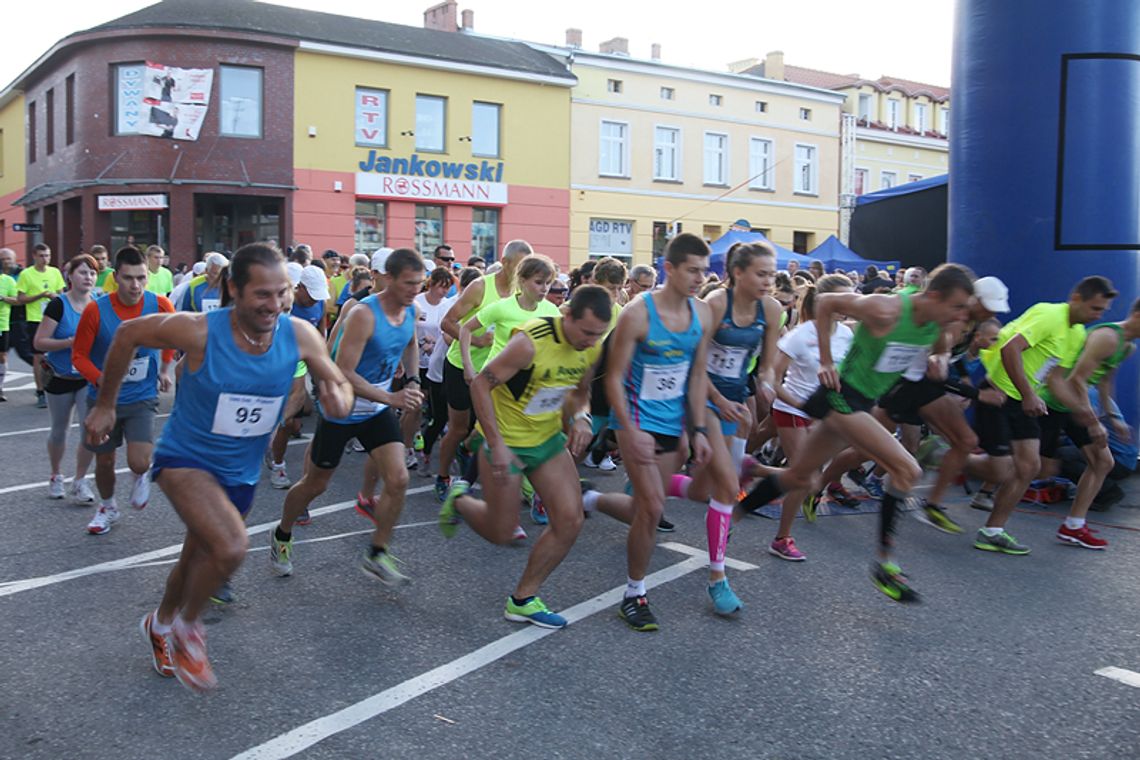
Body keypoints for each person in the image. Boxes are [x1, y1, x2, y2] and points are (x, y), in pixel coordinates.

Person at [87, 243, 352, 692]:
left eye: (281, 293)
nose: (274, 304)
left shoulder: (300, 335)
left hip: (240, 474)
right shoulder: (200, 331)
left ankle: (161, 622)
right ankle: (190, 628)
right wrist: (106, 405)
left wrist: (337, 400)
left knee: (197, 559)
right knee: (230, 547)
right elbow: (129, 334)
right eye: (262, 294)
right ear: (234, 288)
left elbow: (337, 382)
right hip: (186, 459)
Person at [738, 264, 977, 602]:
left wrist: (939, 356)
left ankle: (728, 518)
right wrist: (826, 361)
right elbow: (826, 303)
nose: (962, 315)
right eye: (957, 306)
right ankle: (884, 562)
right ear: (934, 295)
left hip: (861, 402)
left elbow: (938, 345)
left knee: (798, 477)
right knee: (908, 469)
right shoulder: (887, 308)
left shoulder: (938, 324)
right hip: (841, 398)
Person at [439, 285, 627, 628]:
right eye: (586, 332)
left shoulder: (591, 347)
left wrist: (581, 416)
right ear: (567, 315)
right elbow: (481, 385)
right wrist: (495, 444)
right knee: (502, 532)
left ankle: (523, 598)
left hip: (546, 439)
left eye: (598, 334)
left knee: (570, 520)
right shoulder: (529, 342)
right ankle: (461, 500)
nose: (590, 340)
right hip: (506, 440)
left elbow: (580, 391)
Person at [270, 248, 424, 584]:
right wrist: (393, 396)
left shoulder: (410, 309)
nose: (415, 289)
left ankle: (377, 553)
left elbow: (411, 345)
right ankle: (282, 534)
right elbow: (344, 372)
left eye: (419, 283)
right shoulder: (364, 315)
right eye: (410, 283)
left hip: (377, 409)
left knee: (398, 479)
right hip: (342, 407)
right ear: (390, 279)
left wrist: (412, 379)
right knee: (316, 484)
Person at [605, 233, 714, 631]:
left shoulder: (703, 314)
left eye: (705, 271)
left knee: (644, 512)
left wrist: (698, 428)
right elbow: (613, 379)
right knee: (651, 507)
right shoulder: (636, 313)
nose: (700, 278)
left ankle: (593, 498)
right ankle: (634, 594)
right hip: (636, 423)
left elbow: (698, 374)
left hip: (672, 425)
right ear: (669, 269)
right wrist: (629, 430)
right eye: (692, 270)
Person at [671, 243, 781, 613]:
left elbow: (766, 364)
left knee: (705, 488)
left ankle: (657, 482)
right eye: (761, 274)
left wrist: (765, 383)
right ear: (738, 273)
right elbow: (695, 365)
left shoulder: (773, 309)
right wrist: (719, 403)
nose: (769, 281)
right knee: (726, 486)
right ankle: (718, 578)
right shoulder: (716, 305)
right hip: (704, 397)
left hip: (735, 400)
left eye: (772, 273)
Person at [972, 276, 1116, 555]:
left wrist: (1088, 418)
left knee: (1029, 467)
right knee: (1000, 470)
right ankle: (943, 458)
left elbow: (1057, 381)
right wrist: (1028, 394)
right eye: (1094, 309)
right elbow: (1009, 348)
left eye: (1102, 311)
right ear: (1076, 298)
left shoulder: (1077, 334)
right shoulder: (1050, 314)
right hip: (999, 394)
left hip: (1024, 401)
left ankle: (992, 531)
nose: (1097, 316)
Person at [874, 276, 1012, 533]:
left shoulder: (972, 323)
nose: (993, 312)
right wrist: (976, 394)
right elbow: (937, 372)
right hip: (904, 387)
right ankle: (823, 482)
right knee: (863, 447)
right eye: (990, 306)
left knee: (965, 441)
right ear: (975, 299)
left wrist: (967, 378)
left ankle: (932, 505)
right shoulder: (955, 321)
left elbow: (949, 364)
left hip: (925, 389)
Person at [73, 247, 177, 535]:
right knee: (104, 461)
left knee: (139, 461)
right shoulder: (96, 309)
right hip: (103, 400)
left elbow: (173, 338)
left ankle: (140, 475)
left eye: (141, 278)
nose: (135, 285)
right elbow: (79, 355)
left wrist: (164, 369)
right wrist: (102, 379)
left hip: (142, 398)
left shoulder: (160, 305)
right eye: (129, 278)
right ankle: (107, 507)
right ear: (115, 277)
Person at [766, 274, 857, 561]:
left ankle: (750, 470)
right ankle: (782, 539)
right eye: (844, 298)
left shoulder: (846, 334)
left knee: (807, 477)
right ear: (824, 303)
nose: (849, 304)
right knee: (804, 478)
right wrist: (802, 405)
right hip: (792, 409)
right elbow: (774, 381)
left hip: (824, 412)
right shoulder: (800, 335)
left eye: (852, 297)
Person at [1037, 298, 1140, 548]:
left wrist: (1113, 417)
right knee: (1028, 468)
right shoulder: (1107, 337)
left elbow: (1104, 380)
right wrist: (1094, 421)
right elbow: (1077, 380)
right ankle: (969, 471)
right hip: (1054, 401)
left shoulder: (1127, 347)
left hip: (1076, 406)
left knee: (1103, 462)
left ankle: (1073, 526)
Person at [435, 240, 532, 500]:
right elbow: (448, 322)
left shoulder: (522, 293)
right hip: (462, 367)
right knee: (458, 427)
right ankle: (443, 475)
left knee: (492, 428)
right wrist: (477, 341)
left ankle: (468, 452)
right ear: (507, 261)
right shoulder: (481, 287)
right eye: (520, 266)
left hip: (496, 374)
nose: (524, 272)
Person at [35, 255, 99, 502]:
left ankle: (80, 480)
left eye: (92, 273)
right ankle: (55, 474)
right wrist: (71, 343)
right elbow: (39, 342)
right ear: (69, 276)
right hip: (60, 376)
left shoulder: (97, 304)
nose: (88, 277)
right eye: (83, 272)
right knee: (59, 431)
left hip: (86, 377)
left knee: (89, 430)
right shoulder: (58, 305)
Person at [410, 267, 457, 472]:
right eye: (441, 287)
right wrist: (421, 343)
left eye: (448, 288)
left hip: (439, 360)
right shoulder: (418, 302)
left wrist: (434, 342)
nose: (444, 292)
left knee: (438, 412)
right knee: (417, 403)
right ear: (432, 284)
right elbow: (410, 328)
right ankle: (412, 441)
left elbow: (443, 332)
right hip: (418, 360)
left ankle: (430, 443)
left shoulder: (447, 305)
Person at [16, 243, 66, 409]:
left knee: (56, 354)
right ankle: (40, 391)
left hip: (54, 319)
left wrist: (55, 296)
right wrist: (40, 296)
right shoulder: (26, 274)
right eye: (42, 256)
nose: (45, 259)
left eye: (48, 256)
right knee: (39, 357)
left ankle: (55, 387)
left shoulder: (55, 272)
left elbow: (61, 294)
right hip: (35, 319)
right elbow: (21, 299)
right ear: (34, 256)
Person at [0, 248, 18, 402]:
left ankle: (0, 388)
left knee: (2, 356)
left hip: (2, 324)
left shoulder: (8, 281)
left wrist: (2, 298)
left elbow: (17, 300)